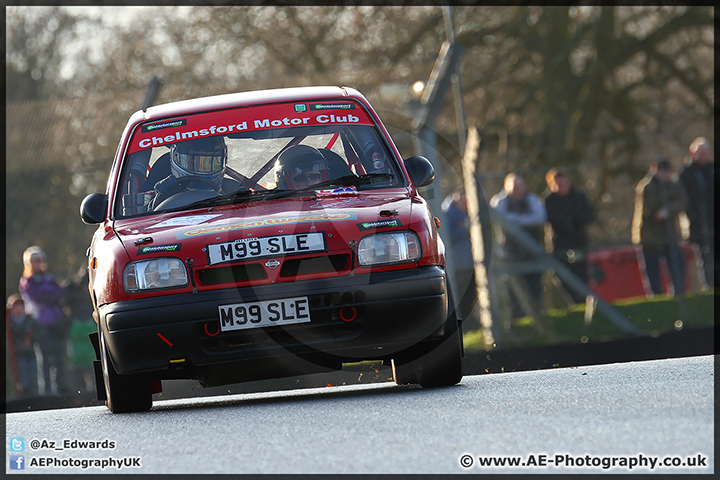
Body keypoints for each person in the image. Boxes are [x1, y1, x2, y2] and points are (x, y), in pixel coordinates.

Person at [490, 173, 547, 318]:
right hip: (510, 252)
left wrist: (515, 220)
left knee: (535, 284)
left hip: (532, 251)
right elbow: (500, 218)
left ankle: (537, 315)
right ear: (506, 187)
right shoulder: (500, 201)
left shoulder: (532, 199)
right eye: (514, 187)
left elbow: (540, 218)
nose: (518, 189)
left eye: (520, 186)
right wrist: (524, 219)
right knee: (513, 288)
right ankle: (517, 319)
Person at [632, 159, 688, 296]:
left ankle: (677, 296)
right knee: (652, 274)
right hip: (649, 238)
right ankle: (656, 299)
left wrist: (668, 209)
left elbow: (682, 202)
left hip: (669, 236)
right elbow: (649, 209)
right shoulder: (646, 187)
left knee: (678, 268)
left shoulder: (673, 185)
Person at [18, 246, 69, 395]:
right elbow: (37, 298)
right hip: (40, 323)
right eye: (34, 261)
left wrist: (52, 295)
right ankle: (46, 391)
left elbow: (61, 293)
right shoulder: (27, 281)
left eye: (39, 260)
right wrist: (52, 295)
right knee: (45, 359)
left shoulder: (49, 278)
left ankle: (60, 387)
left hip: (56, 322)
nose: (37, 263)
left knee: (59, 355)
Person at [543, 168, 596, 303]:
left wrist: (575, 221)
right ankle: (574, 303)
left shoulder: (579, 197)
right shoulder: (549, 201)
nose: (562, 187)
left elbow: (590, 216)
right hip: (560, 246)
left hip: (579, 244)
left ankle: (584, 303)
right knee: (563, 277)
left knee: (582, 276)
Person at [151, 136, 227, 209]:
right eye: (191, 161)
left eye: (210, 163)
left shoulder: (235, 195)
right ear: (175, 157)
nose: (201, 170)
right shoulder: (155, 197)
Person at [679, 137, 715, 289]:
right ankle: (710, 287)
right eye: (700, 152)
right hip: (700, 225)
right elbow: (682, 199)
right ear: (693, 153)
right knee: (706, 258)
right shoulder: (687, 174)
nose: (704, 155)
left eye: (706, 151)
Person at [6, 294, 38, 397]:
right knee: (22, 376)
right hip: (17, 354)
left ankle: (34, 395)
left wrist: (30, 339)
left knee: (33, 374)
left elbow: (37, 333)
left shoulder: (29, 319)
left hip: (30, 352)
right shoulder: (10, 323)